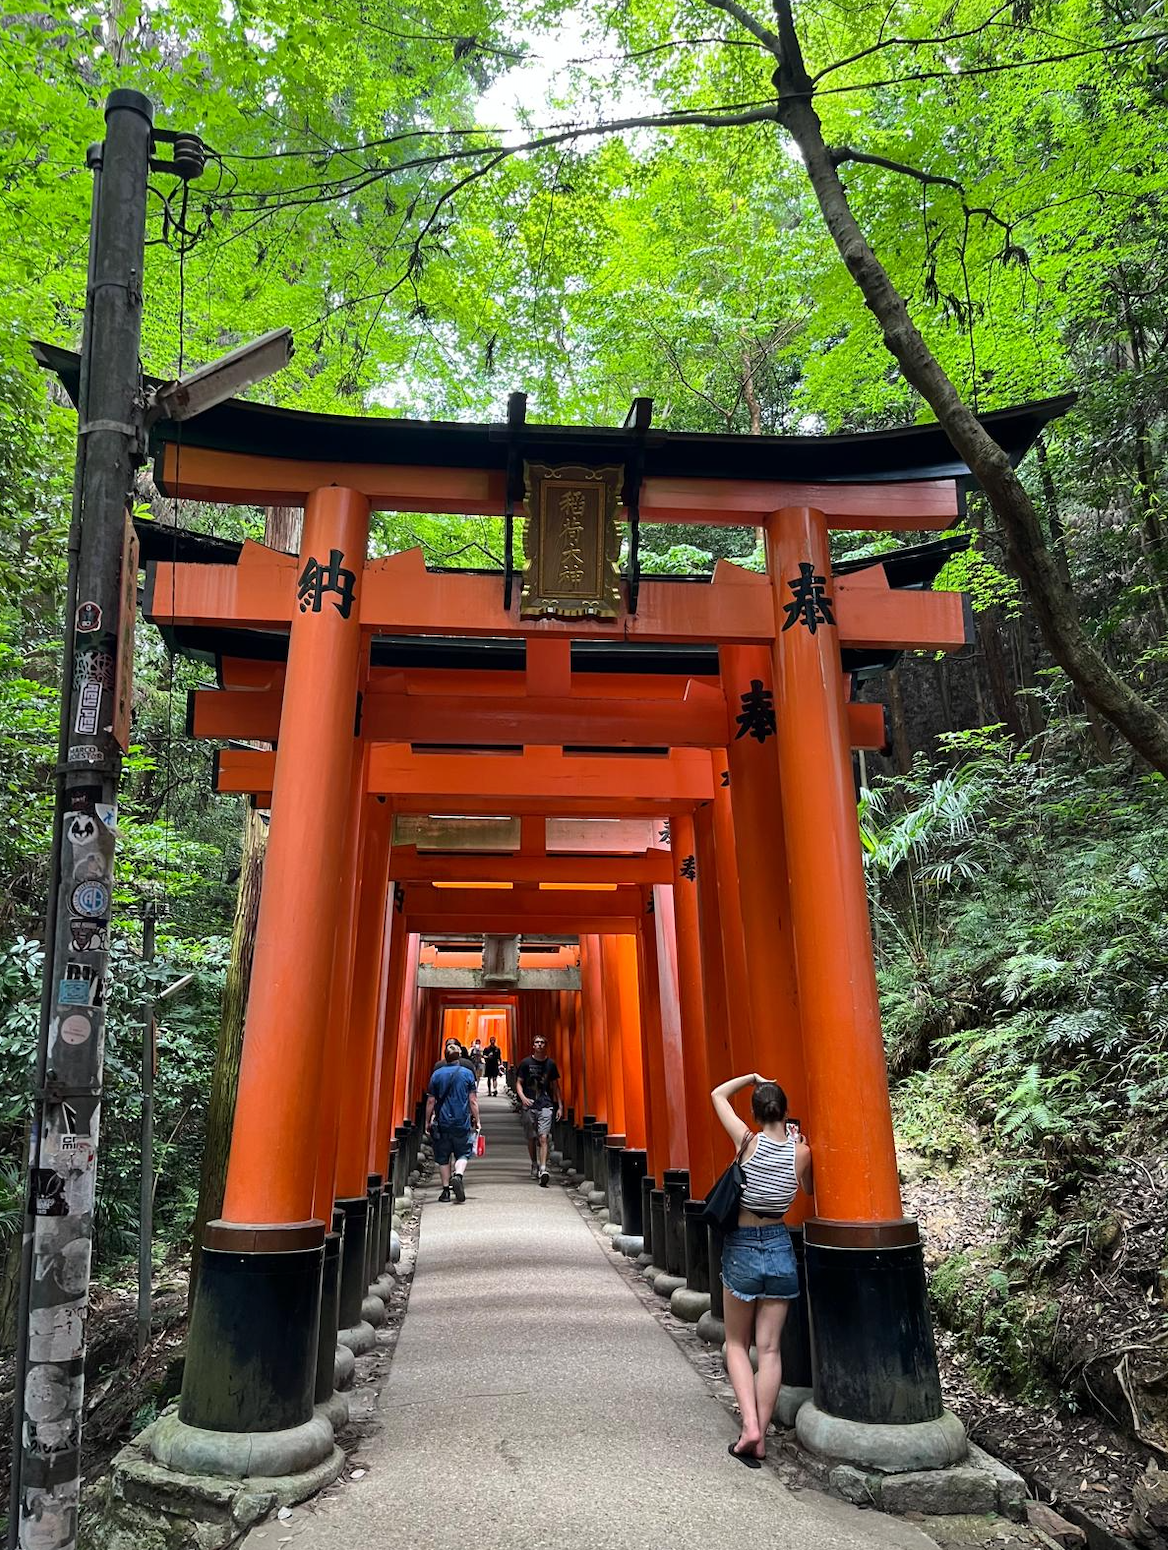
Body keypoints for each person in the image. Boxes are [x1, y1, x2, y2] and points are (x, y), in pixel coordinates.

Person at [710, 1072, 813, 1468]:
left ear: (754, 1115)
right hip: (780, 1243)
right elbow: (807, 1190)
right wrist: (799, 1147)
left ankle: (749, 1425)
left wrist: (751, 1078)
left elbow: (717, 1093)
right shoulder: (800, 1152)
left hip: (742, 1245)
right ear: (786, 1113)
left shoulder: (747, 1141)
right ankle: (762, 1437)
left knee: (738, 1343)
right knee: (770, 1349)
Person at [425, 1038, 481, 1203]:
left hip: (442, 1121)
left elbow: (430, 1101)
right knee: (463, 1152)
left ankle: (445, 1191)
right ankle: (458, 1175)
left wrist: (427, 1121)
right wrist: (477, 1120)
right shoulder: (467, 1074)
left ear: (445, 1056)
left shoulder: (436, 1074)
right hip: (461, 1120)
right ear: (459, 1056)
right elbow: (472, 1100)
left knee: (443, 1156)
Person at [515, 1035, 563, 1186]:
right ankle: (534, 1163)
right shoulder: (525, 1063)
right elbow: (519, 1082)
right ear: (533, 1045)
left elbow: (555, 1086)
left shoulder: (551, 1064)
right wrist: (522, 1097)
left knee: (543, 1137)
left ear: (546, 1045)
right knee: (531, 1137)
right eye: (537, 1042)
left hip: (546, 1104)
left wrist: (560, 1105)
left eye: (542, 1042)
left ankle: (543, 1168)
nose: (540, 1045)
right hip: (529, 1104)